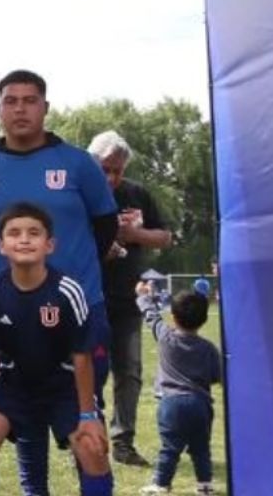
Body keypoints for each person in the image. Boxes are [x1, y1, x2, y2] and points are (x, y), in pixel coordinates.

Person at [0, 70, 118, 495]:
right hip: (11, 314)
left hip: (80, 310)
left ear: (45, 108)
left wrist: (73, 275)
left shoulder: (78, 163)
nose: (20, 109)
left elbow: (105, 227)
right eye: (10, 101)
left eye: (29, 100)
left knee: (88, 429)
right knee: (20, 427)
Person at [0, 203, 114, 496]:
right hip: (13, 386)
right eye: (14, 233)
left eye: (34, 233)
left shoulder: (68, 291)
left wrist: (88, 417)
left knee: (92, 448)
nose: (24, 239)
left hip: (64, 386)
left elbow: (82, 357)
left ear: (49, 245)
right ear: (1, 246)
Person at [87, 130, 174, 467]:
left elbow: (165, 237)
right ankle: (88, 437)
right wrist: (98, 250)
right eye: (104, 168)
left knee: (130, 371)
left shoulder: (137, 194)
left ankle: (123, 442)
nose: (110, 176)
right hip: (87, 298)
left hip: (127, 301)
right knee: (88, 371)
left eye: (117, 169)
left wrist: (135, 234)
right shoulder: (76, 194)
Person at [136, 282, 221, 496]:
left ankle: (161, 484)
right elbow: (215, 376)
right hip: (201, 405)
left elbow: (152, 316)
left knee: (169, 449)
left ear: (173, 317)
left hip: (171, 404)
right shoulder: (208, 348)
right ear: (203, 320)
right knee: (201, 449)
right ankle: (204, 485)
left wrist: (143, 296)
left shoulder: (165, 337)